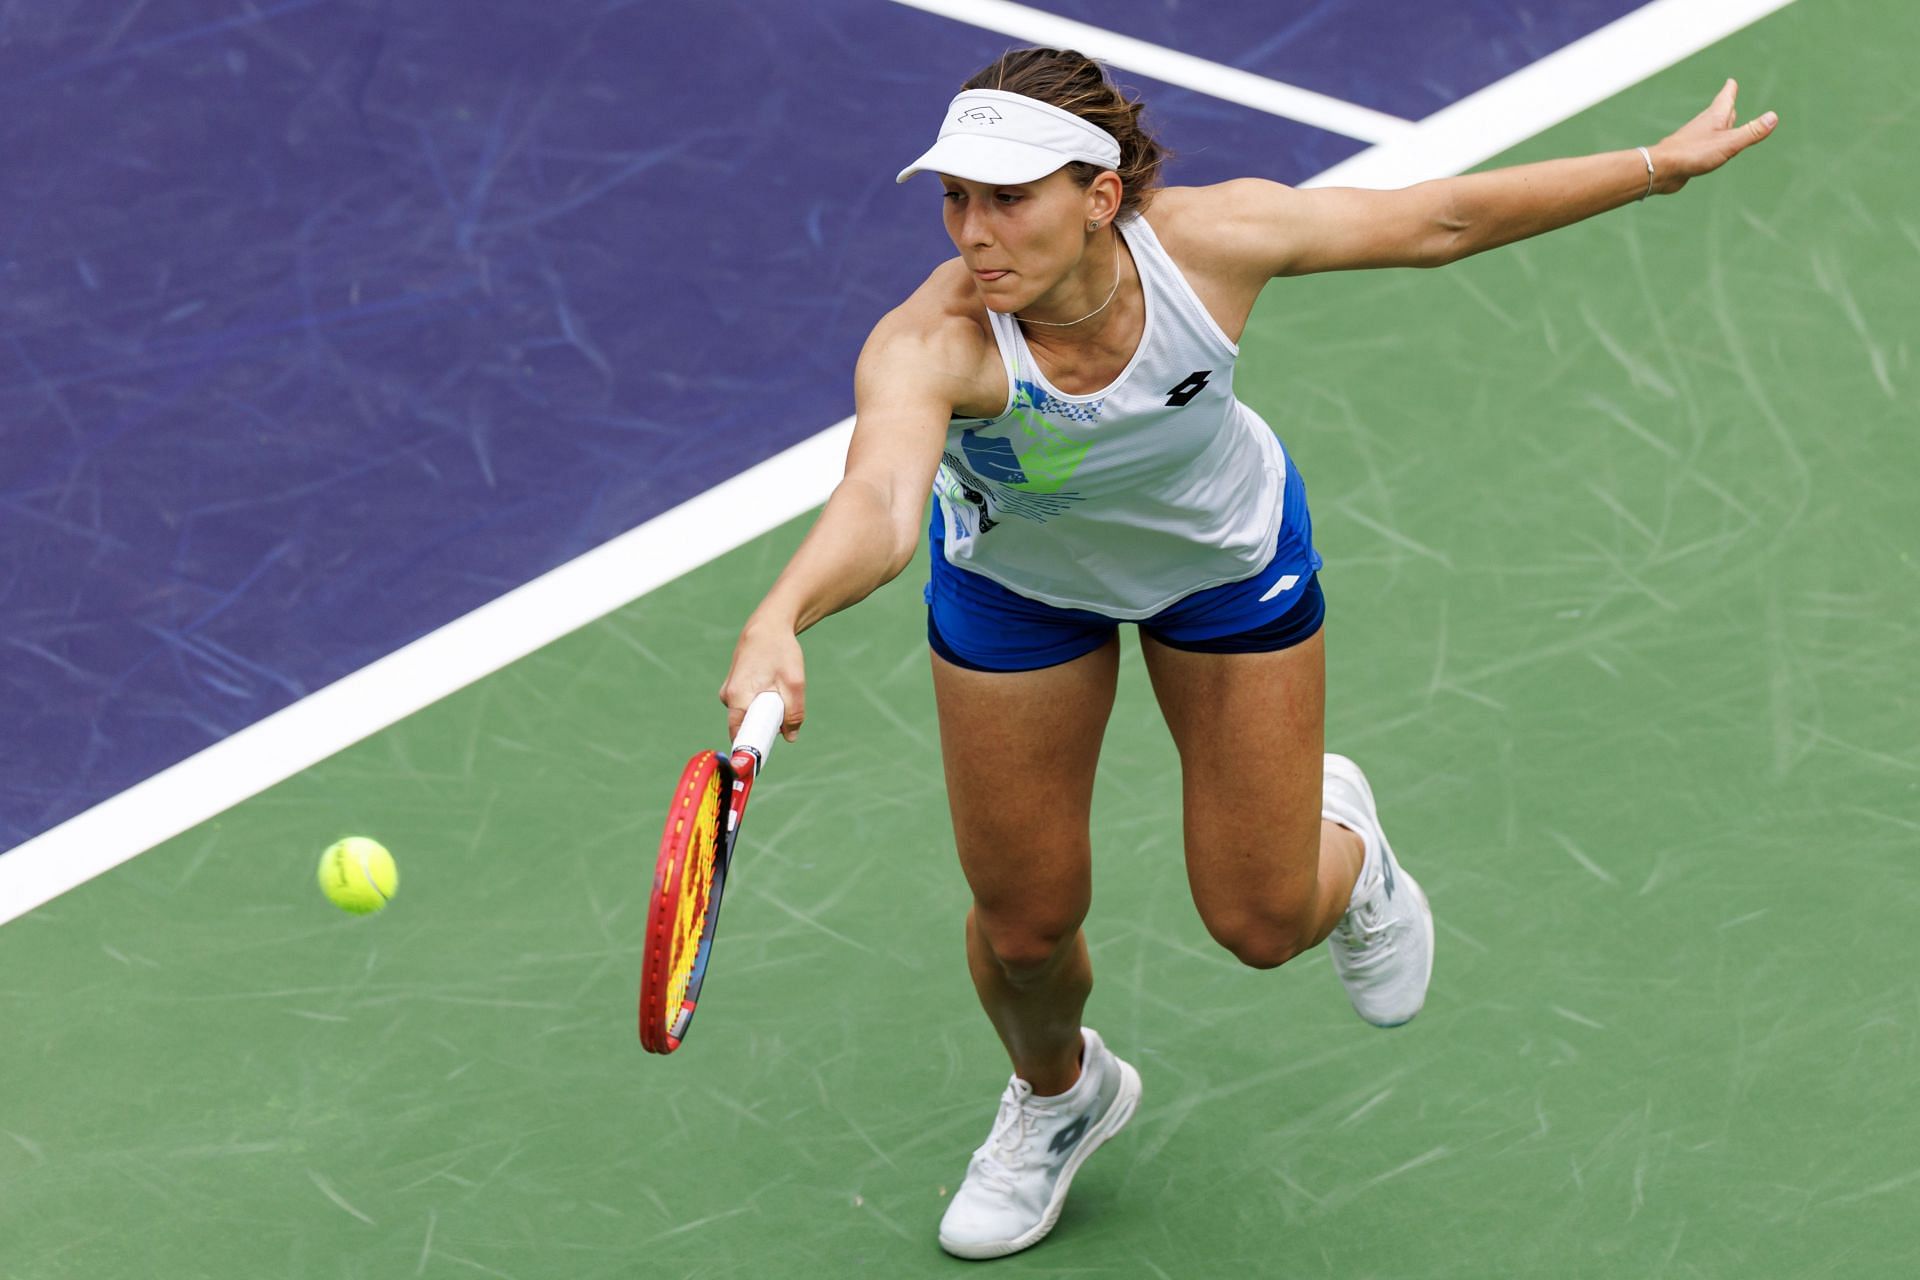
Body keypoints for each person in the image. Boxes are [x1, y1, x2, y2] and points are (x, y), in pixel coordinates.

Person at [719, 47, 1776, 1260]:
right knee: (1023, 926)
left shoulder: (1209, 246)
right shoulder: (931, 345)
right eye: (957, 197)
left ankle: (1354, 846)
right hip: (1020, 594)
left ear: (1100, 197)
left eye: (1009, 198)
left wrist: (1653, 167)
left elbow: (1437, 220)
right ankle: (1062, 1098)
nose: (975, 231)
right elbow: (882, 500)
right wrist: (781, 612)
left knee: (1264, 920)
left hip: (1222, 563)